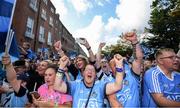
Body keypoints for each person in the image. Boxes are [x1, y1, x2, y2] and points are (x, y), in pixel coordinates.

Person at [53, 54, 124, 108]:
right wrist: (61, 67)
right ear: (83, 74)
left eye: (92, 70)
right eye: (87, 70)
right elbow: (57, 86)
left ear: (95, 75)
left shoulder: (101, 86)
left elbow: (117, 86)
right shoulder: (75, 85)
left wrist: (119, 66)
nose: (90, 72)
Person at [110, 31, 144, 107]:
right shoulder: (107, 82)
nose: (119, 66)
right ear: (110, 69)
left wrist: (134, 42)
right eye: (115, 65)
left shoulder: (132, 76)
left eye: (121, 64)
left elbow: (138, 59)